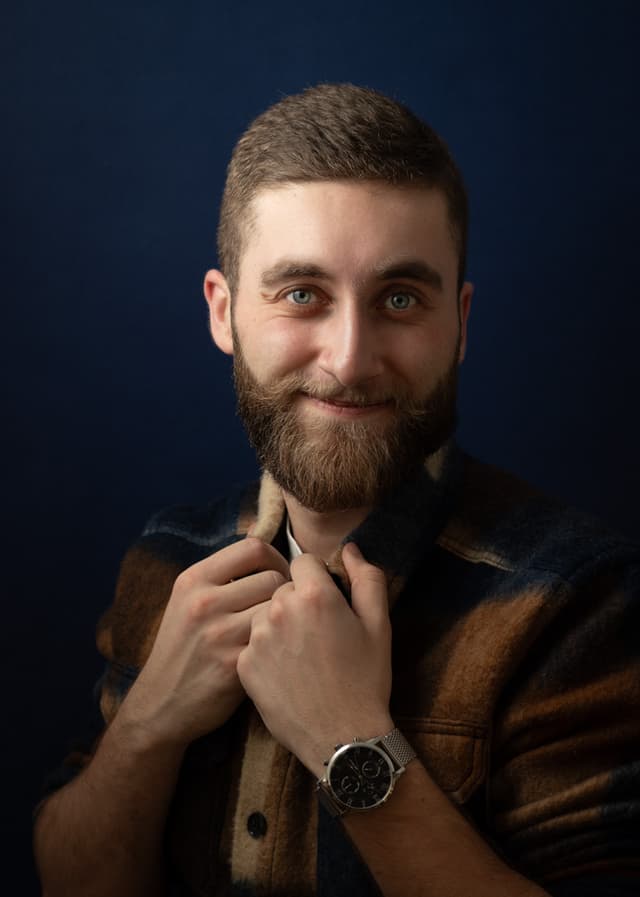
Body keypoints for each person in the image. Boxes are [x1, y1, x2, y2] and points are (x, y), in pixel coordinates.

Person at [33, 83, 640, 897]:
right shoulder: (164, 560)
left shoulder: (578, 603)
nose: (350, 359)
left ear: (461, 323)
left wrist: (350, 742)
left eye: (400, 298)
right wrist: (146, 725)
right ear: (223, 312)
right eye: (301, 295)